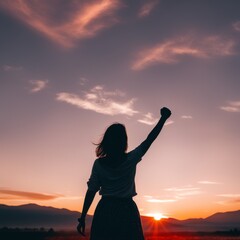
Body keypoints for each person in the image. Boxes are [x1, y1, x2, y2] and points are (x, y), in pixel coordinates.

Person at [77, 107, 171, 240]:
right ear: (123, 141)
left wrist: (82, 217)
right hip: (127, 211)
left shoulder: (99, 164)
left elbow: (91, 190)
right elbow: (149, 139)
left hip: (105, 210)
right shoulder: (131, 159)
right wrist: (163, 119)